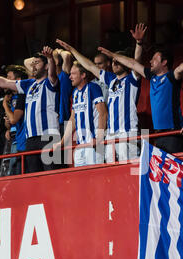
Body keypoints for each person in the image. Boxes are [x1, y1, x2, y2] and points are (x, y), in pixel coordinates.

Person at [56, 23, 147, 163]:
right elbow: (90, 66)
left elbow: (136, 64)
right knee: (109, 174)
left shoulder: (132, 80)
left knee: (128, 172)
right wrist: (72, 51)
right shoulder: (110, 80)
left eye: (118, 61)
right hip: (111, 135)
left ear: (126, 64)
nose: (114, 63)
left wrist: (139, 43)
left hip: (128, 133)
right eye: (113, 61)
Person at [0, 46, 60, 173]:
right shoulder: (28, 84)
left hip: (48, 136)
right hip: (31, 138)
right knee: (34, 178)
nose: (33, 66)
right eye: (32, 63)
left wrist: (50, 58)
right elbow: (3, 82)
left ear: (46, 66)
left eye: (37, 63)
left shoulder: (50, 82)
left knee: (52, 175)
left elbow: (52, 73)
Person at [97, 46, 183, 154]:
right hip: (158, 135)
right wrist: (115, 54)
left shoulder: (171, 77)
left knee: (175, 169)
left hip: (174, 133)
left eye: (154, 59)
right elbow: (133, 64)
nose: (150, 61)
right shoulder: (151, 76)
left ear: (164, 62)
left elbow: (178, 71)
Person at [53, 62, 107, 167]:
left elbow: (103, 113)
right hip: (80, 146)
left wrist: (99, 138)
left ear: (83, 75)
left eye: (73, 74)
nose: (70, 77)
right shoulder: (75, 93)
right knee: (81, 181)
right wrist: (62, 142)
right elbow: (73, 119)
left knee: (95, 180)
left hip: (94, 145)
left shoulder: (93, 88)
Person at [0, 65, 27, 176]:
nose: (6, 81)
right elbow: (11, 123)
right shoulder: (12, 98)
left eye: (9, 77)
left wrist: (4, 105)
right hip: (15, 140)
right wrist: (8, 127)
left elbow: (14, 119)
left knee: (20, 175)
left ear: (18, 80)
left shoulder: (23, 95)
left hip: (23, 143)